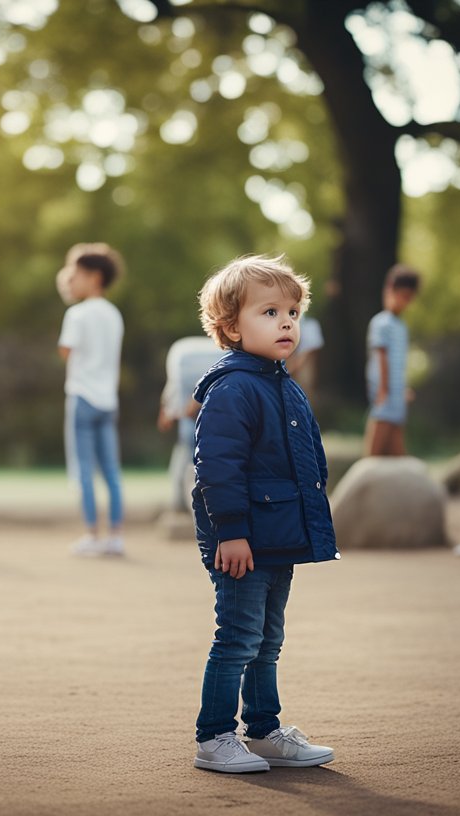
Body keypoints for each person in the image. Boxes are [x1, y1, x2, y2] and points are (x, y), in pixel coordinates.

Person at [191, 253, 339, 775]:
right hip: (243, 539)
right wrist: (231, 531)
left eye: (293, 313)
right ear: (231, 326)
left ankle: (263, 729)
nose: (287, 323)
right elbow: (218, 466)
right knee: (237, 637)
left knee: (268, 640)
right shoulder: (234, 388)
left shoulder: (282, 383)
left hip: (278, 535)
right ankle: (214, 737)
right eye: (270, 312)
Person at [58, 243, 126, 557]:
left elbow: (65, 352)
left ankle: (90, 534)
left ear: (94, 277)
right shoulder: (114, 314)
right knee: (111, 470)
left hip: (82, 397)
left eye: (77, 274)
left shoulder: (77, 313)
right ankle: (115, 536)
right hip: (108, 400)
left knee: (83, 469)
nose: (72, 279)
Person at [158, 335, 221, 513]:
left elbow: (175, 389)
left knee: (187, 455)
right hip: (208, 416)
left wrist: (169, 410)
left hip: (191, 415)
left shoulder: (181, 353)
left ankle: (183, 502)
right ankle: (189, 502)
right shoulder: (186, 353)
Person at [366, 265, 420, 456]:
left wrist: (403, 388)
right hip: (384, 395)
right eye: (402, 295)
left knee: (397, 454)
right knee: (374, 453)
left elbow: (400, 363)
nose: (404, 301)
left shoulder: (401, 326)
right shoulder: (381, 323)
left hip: (397, 397)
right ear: (389, 290)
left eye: (408, 298)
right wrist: (383, 388)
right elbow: (381, 357)